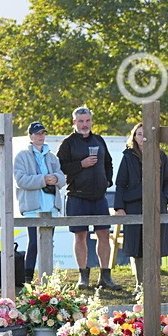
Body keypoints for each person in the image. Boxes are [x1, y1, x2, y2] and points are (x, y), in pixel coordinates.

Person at [57, 106, 118, 289]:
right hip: (77, 197)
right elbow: (61, 168)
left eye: (87, 121)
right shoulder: (68, 143)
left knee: (104, 235)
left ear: (91, 121)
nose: (85, 124)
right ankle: (83, 277)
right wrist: (80, 164)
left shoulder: (99, 140)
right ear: (74, 122)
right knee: (80, 236)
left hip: (99, 198)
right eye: (81, 121)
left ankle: (105, 276)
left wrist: (107, 181)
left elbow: (108, 162)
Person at [113, 123, 168, 290]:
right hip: (134, 205)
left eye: (145, 134)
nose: (142, 137)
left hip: (156, 206)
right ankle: (140, 285)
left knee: (155, 243)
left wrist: (164, 198)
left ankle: (154, 284)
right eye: (139, 134)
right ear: (134, 136)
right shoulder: (128, 156)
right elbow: (120, 184)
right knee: (137, 246)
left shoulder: (160, 155)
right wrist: (119, 207)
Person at [13, 121, 66, 284]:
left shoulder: (52, 157)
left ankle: (48, 277)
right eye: (37, 133)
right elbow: (20, 180)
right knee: (35, 242)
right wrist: (43, 179)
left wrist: (55, 178)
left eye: (42, 133)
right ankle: (28, 276)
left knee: (48, 243)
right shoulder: (22, 156)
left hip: (51, 206)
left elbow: (62, 178)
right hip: (32, 207)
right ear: (30, 136)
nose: (40, 136)